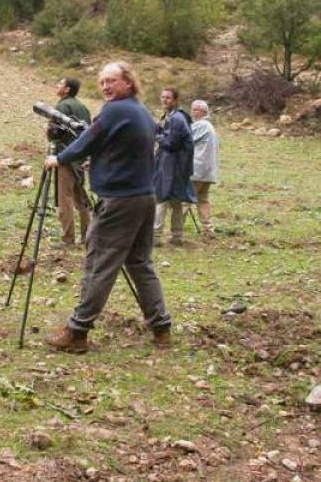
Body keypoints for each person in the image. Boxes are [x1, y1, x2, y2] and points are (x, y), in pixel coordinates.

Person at [43, 62, 172, 352]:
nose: (105, 87)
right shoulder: (141, 111)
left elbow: (88, 139)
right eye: (102, 82)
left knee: (99, 264)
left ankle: (77, 332)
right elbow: (127, 147)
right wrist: (102, 161)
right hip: (144, 196)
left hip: (119, 200)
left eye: (111, 80)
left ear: (128, 82)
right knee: (140, 263)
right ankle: (161, 327)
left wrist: (60, 158)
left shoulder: (115, 110)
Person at [48, 77, 91, 246]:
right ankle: (87, 237)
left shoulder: (62, 106)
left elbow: (54, 133)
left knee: (65, 199)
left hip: (64, 157)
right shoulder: (83, 107)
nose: (57, 86)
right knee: (82, 199)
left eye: (60, 84)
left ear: (66, 89)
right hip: (81, 158)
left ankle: (68, 239)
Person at [153, 88, 196, 246]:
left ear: (175, 100)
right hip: (172, 164)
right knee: (175, 200)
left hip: (173, 165)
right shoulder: (171, 116)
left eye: (168, 98)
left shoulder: (177, 118)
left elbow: (171, 143)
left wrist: (156, 135)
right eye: (163, 97)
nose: (164, 100)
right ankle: (177, 236)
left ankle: (156, 237)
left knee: (162, 198)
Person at [187, 99, 219, 238]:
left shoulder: (201, 125)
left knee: (184, 200)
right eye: (192, 109)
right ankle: (208, 229)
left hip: (197, 170)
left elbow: (185, 138)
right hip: (208, 172)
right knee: (202, 199)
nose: (192, 112)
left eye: (195, 109)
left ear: (203, 112)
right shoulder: (209, 126)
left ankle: (176, 232)